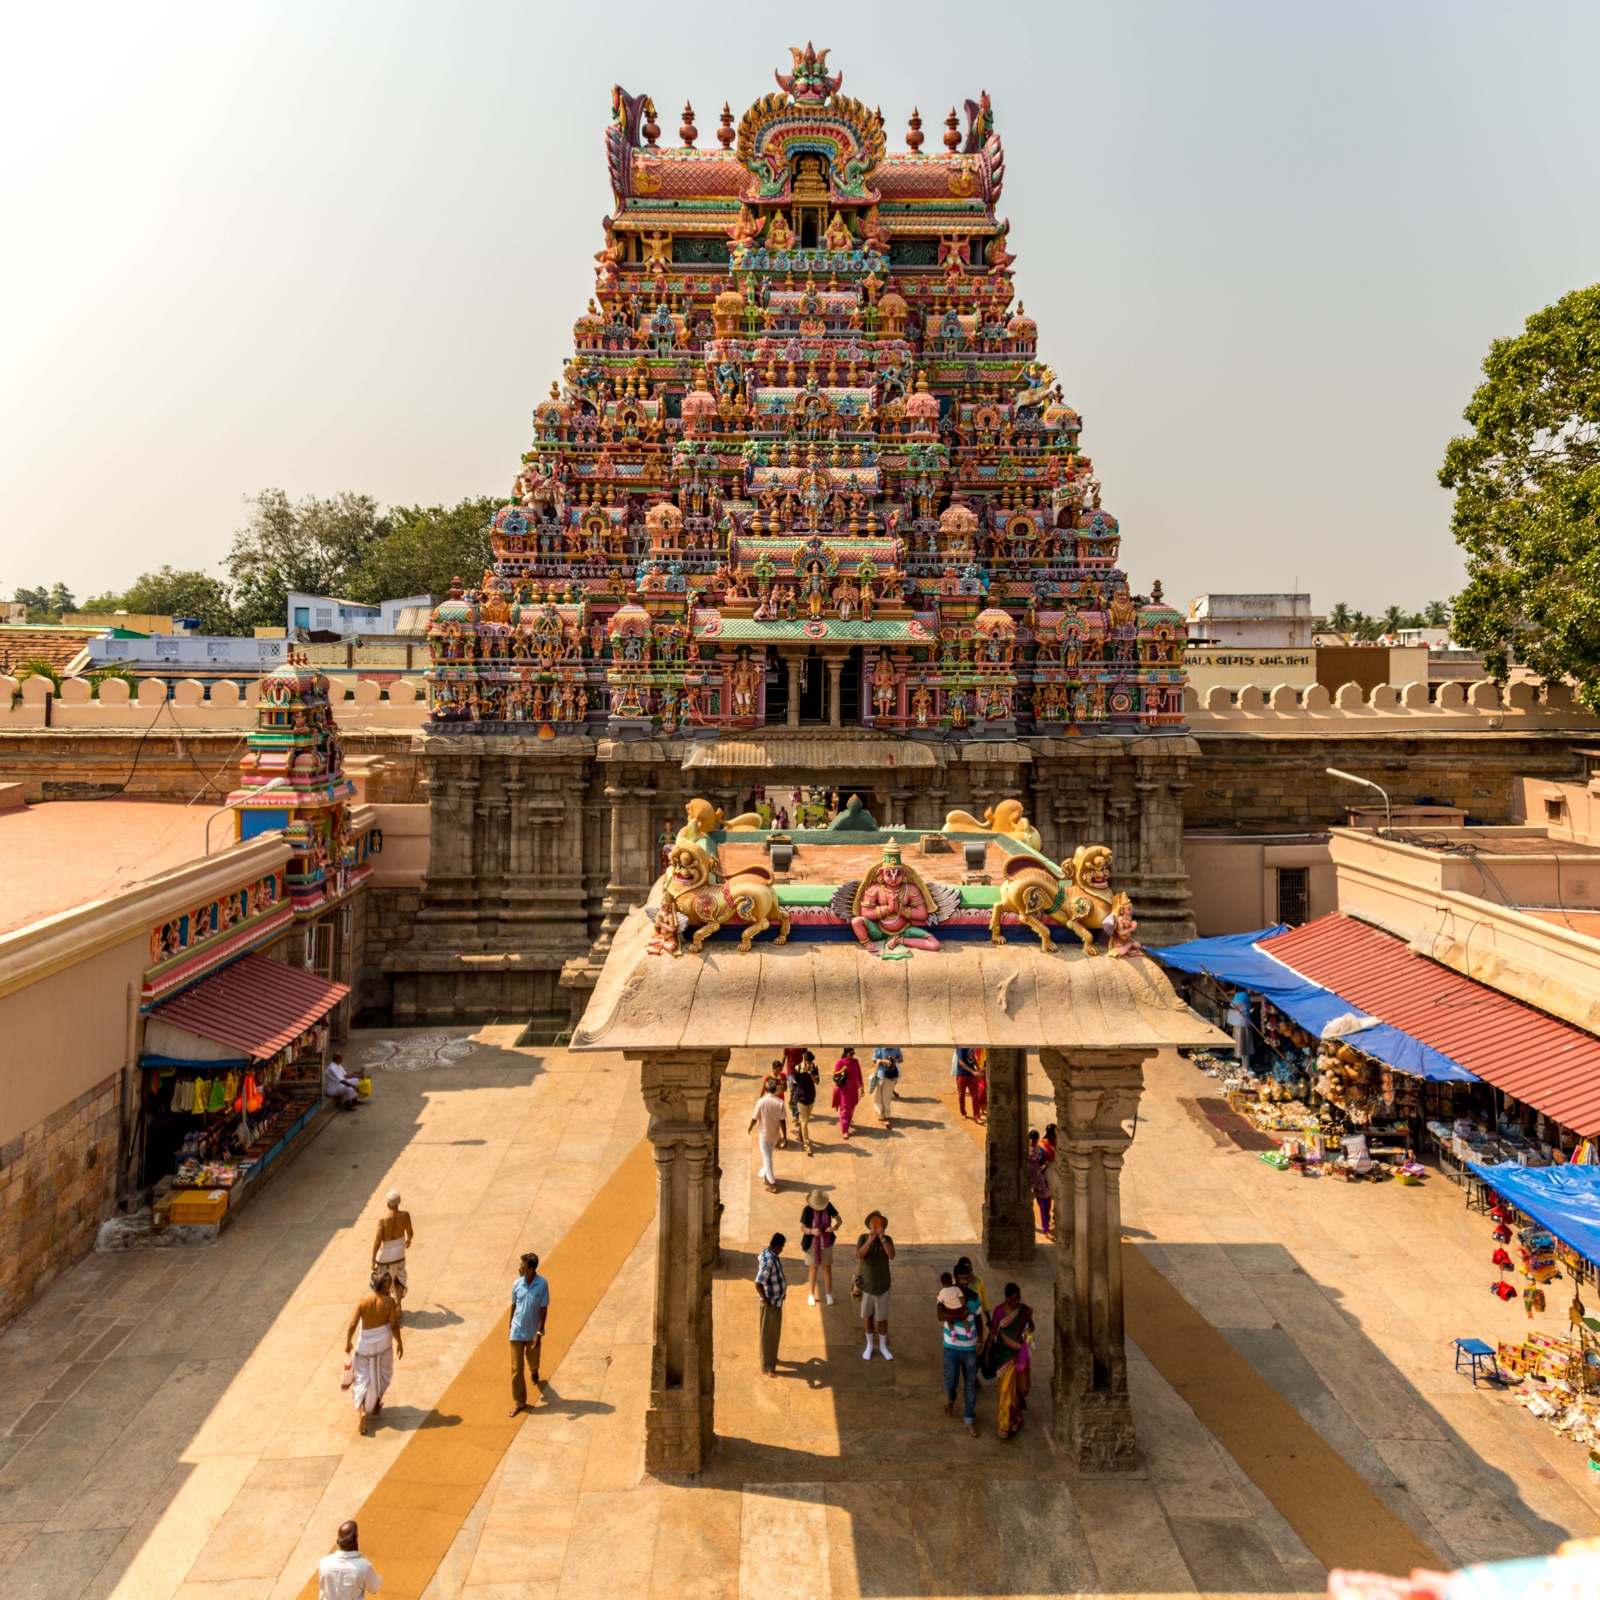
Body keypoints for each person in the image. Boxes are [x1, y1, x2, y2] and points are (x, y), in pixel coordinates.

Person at [346, 1268, 402, 1435]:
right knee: (382, 1374)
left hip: (365, 1344)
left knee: (362, 1377)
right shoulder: (390, 1302)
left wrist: (348, 1341)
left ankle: (363, 1411)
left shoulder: (363, 1301)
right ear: (384, 1287)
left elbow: (352, 1324)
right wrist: (399, 1342)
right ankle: (376, 1404)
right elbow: (394, 1325)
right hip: (383, 1343)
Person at [982, 1282, 1034, 1439]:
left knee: (1017, 1389)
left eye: (1019, 1299)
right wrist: (987, 1352)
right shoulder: (999, 1310)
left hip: (1019, 1356)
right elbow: (993, 1332)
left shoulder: (1023, 1310)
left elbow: (1031, 1325)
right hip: (1004, 1355)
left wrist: (1028, 1332)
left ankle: (1015, 1419)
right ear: (1007, 1298)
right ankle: (1004, 1425)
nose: (1017, 1302)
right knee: (1005, 1390)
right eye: (1014, 1299)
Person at [938, 1263, 984, 1436]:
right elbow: (940, 1315)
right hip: (951, 1347)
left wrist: (981, 1337)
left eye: (967, 1278)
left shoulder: (974, 1298)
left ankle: (969, 1419)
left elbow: (978, 1319)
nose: (965, 1282)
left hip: (970, 1348)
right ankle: (951, 1399)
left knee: (970, 1385)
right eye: (962, 1278)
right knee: (950, 1381)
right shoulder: (945, 1294)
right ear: (956, 1279)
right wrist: (961, 1315)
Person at [509, 1251, 549, 1416]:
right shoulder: (516, 1284)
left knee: (533, 1361)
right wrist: (510, 1326)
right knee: (516, 1368)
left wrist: (538, 1333)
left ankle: (534, 1370)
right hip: (517, 1331)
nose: (519, 1268)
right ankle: (519, 1402)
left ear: (530, 1270)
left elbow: (543, 1309)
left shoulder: (542, 1284)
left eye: (522, 1267)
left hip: (533, 1333)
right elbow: (514, 1305)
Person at [855, 1210, 896, 1360]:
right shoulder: (863, 1238)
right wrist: (870, 1241)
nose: (876, 1223)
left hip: (882, 1285)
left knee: (882, 1318)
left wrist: (883, 1239)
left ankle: (883, 1346)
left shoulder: (888, 1239)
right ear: (869, 1224)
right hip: (867, 1285)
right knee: (868, 1317)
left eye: (879, 1221)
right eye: (873, 1221)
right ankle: (870, 1345)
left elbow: (891, 1255)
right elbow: (859, 1255)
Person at [317, 1520, 383, 1600]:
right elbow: (374, 1588)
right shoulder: (363, 1567)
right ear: (355, 1542)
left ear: (337, 1541)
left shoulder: (324, 1562)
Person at [371, 1190, 414, 1310]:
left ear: (387, 1203)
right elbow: (410, 1232)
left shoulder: (383, 1219)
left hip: (384, 1255)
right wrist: (408, 1240)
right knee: (399, 1278)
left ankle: (387, 1307)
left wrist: (373, 1260)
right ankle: (398, 1305)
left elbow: (377, 1242)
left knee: (383, 1281)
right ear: (399, 1201)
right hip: (399, 1252)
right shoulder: (405, 1215)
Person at [800, 1188, 840, 1305]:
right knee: (813, 1268)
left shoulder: (828, 1206)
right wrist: (811, 1231)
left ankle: (828, 1294)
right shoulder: (807, 1210)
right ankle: (811, 1294)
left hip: (826, 1243)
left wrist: (834, 1228)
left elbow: (839, 1220)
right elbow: (802, 1228)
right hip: (812, 1244)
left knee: (827, 1268)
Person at [755, 1231, 787, 1376]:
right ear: (778, 1246)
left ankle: (771, 1357)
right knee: (768, 1334)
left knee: (773, 1333)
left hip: (775, 1302)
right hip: (771, 1304)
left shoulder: (768, 1253)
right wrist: (766, 1300)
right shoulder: (769, 1261)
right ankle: (767, 1366)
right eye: (782, 1247)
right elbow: (758, 1283)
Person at [749, 1080, 789, 1192]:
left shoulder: (761, 1101)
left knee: (767, 1159)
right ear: (775, 1090)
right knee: (768, 1156)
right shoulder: (780, 1102)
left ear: (766, 1090)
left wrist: (750, 1127)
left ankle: (773, 1184)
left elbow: (754, 1118)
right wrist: (784, 1137)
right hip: (774, 1135)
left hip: (764, 1135)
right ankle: (766, 1172)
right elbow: (783, 1121)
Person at [832, 1046, 864, 1138]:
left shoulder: (855, 1062)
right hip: (844, 1088)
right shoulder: (841, 1062)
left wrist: (861, 1087)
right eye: (851, 1054)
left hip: (853, 1088)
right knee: (845, 1107)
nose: (852, 1055)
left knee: (852, 1106)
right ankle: (845, 1130)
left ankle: (847, 1122)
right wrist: (842, 1070)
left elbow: (859, 1075)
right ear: (846, 1054)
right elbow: (835, 1073)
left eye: (853, 1053)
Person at [790, 1053, 818, 1156]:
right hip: (801, 1099)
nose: (808, 1063)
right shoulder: (798, 1068)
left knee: (804, 1121)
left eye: (810, 1061)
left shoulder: (814, 1067)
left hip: (811, 1098)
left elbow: (817, 1082)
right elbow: (794, 1084)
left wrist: (810, 1072)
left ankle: (800, 1132)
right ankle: (807, 1146)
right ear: (804, 1059)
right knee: (805, 1123)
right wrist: (791, 1098)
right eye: (807, 1061)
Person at [1028, 1130, 1054, 1239]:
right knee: (1027, 1205)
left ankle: (1046, 1230)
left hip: (1039, 1180)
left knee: (1044, 1205)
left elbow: (1045, 1160)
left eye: (1035, 1140)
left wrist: (1044, 1165)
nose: (1034, 1142)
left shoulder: (1041, 1150)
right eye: (1032, 1140)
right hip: (1029, 1183)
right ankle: (1029, 1225)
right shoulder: (1024, 1152)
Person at [868, 1050, 898, 1125]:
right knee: (879, 1097)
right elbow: (874, 1060)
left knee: (887, 1097)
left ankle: (886, 1115)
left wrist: (894, 1059)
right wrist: (883, 1061)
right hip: (881, 1076)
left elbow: (901, 1060)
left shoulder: (896, 1048)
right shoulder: (879, 1048)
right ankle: (881, 1116)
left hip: (891, 1076)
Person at [952, 1047, 980, 1120]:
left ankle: (977, 1116)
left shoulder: (971, 1046)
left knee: (975, 1095)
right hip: (962, 1074)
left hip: (972, 1075)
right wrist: (973, 1072)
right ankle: (963, 1113)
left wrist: (979, 1068)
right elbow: (960, 1062)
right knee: (961, 1095)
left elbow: (973, 1058)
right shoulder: (961, 1047)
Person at [1227, 989, 1252, 1065]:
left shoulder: (1241, 996)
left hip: (1240, 1022)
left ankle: (1238, 1058)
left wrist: (1222, 1003)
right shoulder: (1244, 995)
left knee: (1239, 1042)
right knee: (1245, 1043)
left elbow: (1232, 1006)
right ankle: (1244, 1058)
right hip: (1244, 1022)